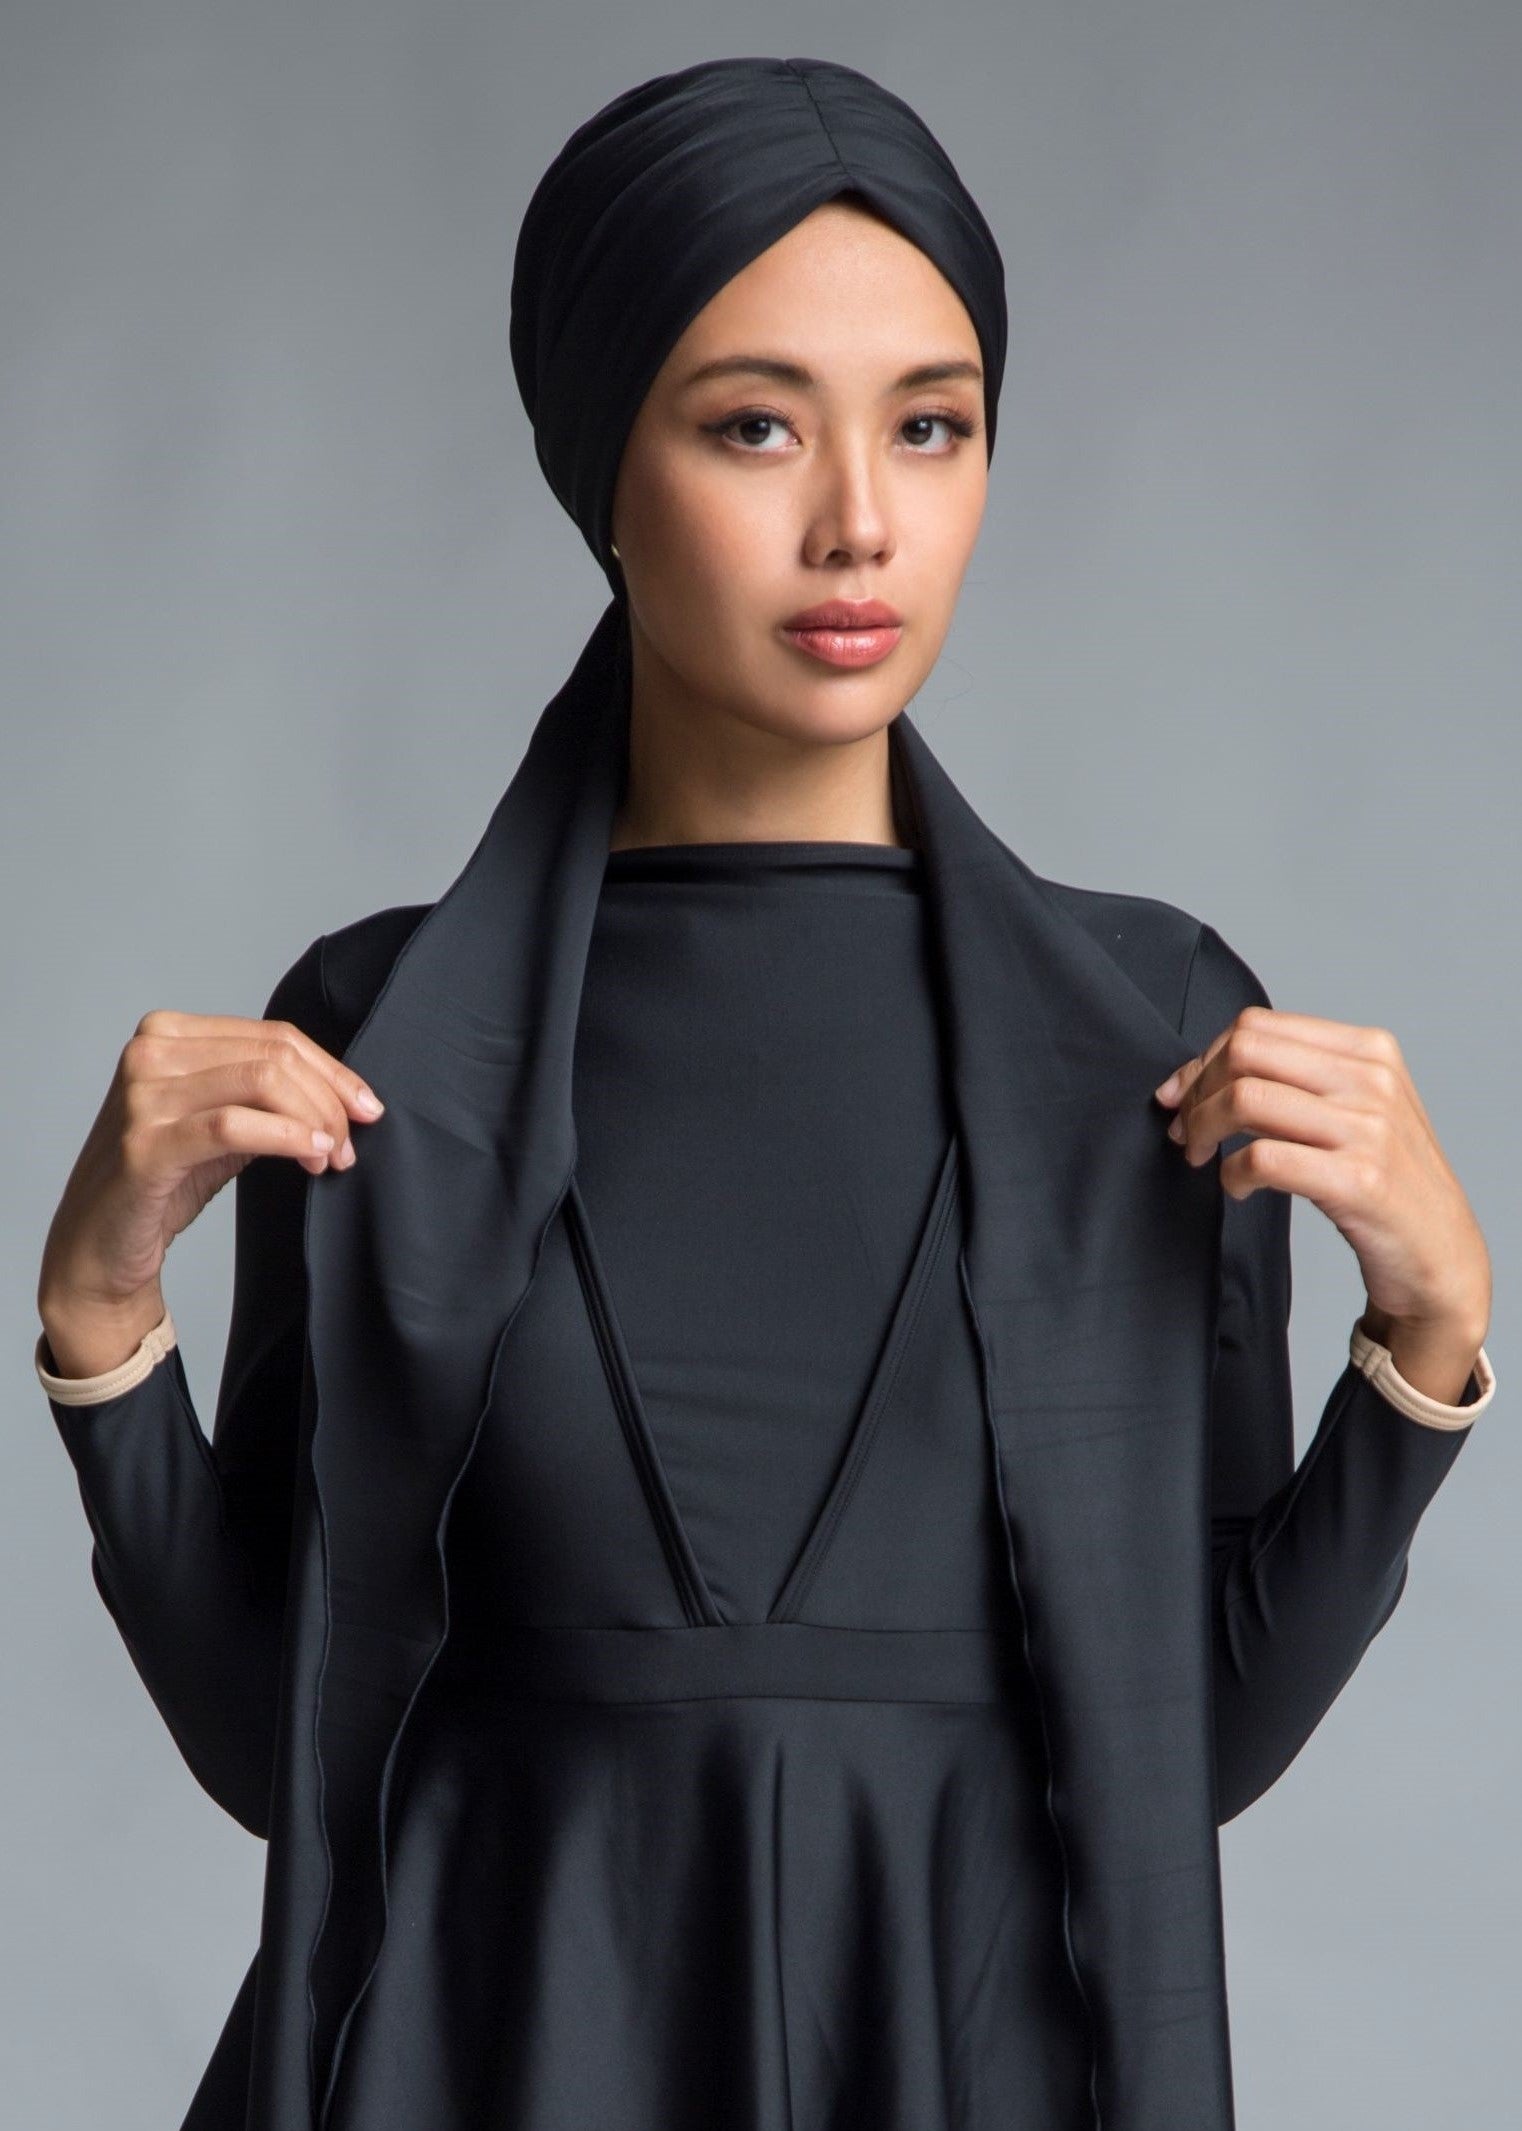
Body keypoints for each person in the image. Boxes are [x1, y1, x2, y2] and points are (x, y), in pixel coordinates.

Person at [34, 55, 1495, 2131]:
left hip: (961, 2059)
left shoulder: (1148, 1030)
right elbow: (281, 1748)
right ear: (602, 472)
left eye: (930, 424)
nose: (858, 522)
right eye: (753, 424)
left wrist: (1422, 1352)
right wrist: (102, 1329)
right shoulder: (377, 1032)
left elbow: (1190, 1741)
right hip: (473, 2059)